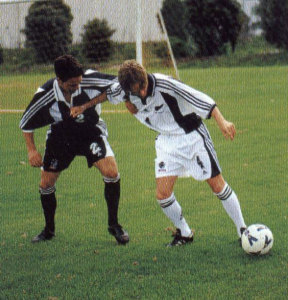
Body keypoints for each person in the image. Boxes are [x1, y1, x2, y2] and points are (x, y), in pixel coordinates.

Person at [71, 60, 246, 247]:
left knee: (217, 186)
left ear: (145, 76)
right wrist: (84, 107)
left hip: (192, 137)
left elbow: (200, 98)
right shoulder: (124, 89)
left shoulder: (166, 84)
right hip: (166, 142)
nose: (143, 93)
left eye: (143, 87)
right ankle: (185, 233)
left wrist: (222, 122)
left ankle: (243, 230)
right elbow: (107, 94)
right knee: (163, 195)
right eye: (137, 91)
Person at [19, 55, 129, 245]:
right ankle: (49, 230)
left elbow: (119, 85)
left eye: (79, 82)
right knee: (46, 184)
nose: (78, 86)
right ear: (59, 80)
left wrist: (87, 105)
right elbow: (25, 122)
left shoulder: (88, 78)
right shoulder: (45, 94)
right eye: (72, 84)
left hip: (90, 132)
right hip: (61, 137)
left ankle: (114, 225)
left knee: (112, 172)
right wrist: (32, 151)